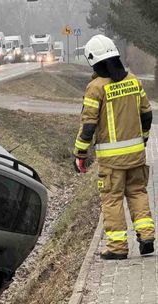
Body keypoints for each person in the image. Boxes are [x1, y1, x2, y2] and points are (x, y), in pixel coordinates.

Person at [73, 34, 155, 260]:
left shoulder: (95, 88)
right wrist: (144, 139)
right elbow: (147, 114)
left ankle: (118, 248)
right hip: (136, 155)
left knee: (112, 200)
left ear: (93, 60)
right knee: (138, 192)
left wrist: (80, 153)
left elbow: (88, 126)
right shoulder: (134, 80)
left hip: (111, 162)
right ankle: (147, 238)